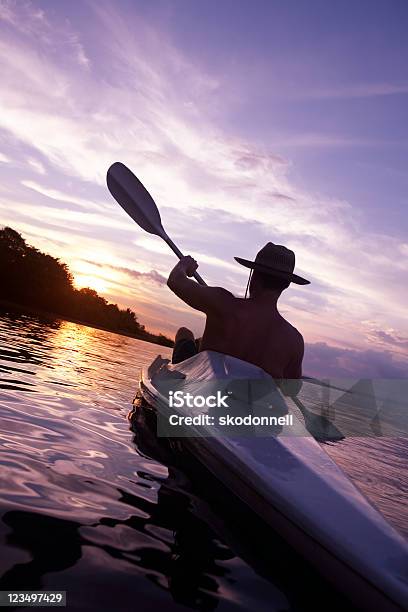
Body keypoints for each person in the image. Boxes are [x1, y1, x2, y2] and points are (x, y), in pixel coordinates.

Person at [167, 242, 310, 380]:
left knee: (184, 333)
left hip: (206, 395)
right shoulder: (294, 341)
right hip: (249, 403)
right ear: (286, 285)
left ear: (254, 276)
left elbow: (175, 280)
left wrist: (185, 264)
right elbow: (291, 390)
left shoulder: (223, 304)